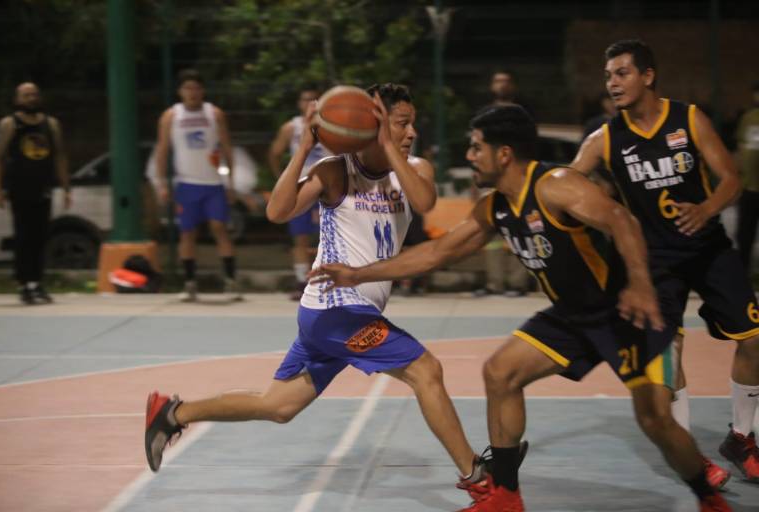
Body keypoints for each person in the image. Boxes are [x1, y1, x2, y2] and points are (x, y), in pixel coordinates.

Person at [310, 105, 732, 511]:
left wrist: (640, 284)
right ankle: (505, 497)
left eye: (477, 148)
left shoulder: (557, 185)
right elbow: (437, 253)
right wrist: (358, 274)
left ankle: (707, 497)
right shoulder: (495, 207)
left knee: (655, 420)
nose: (470, 156)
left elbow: (623, 222)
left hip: (625, 310)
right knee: (501, 372)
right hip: (572, 315)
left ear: (503, 154)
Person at [144, 83, 498, 495]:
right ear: (373, 123)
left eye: (412, 124)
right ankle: (478, 479)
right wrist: (303, 149)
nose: (411, 132)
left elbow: (423, 204)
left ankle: (172, 412)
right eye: (402, 124)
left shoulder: (417, 169)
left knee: (278, 406)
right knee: (426, 371)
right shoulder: (334, 170)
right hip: (334, 310)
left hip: (352, 313)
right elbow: (278, 211)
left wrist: (388, 143)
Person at [571, 39, 759, 485]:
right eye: (608, 76)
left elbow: (731, 177)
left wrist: (707, 208)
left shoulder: (688, 119)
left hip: (708, 246)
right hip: (653, 260)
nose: (612, 83)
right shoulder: (604, 139)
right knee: (669, 354)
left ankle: (741, 436)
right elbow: (568, 181)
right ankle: (690, 455)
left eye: (622, 73)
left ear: (648, 75)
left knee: (754, 339)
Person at [154, 69, 240, 302]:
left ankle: (231, 281)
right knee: (187, 233)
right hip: (187, 183)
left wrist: (231, 182)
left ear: (202, 91)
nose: (192, 93)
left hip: (213, 183)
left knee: (219, 228)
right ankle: (190, 283)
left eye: (196, 88)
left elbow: (227, 148)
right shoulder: (172, 116)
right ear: (180, 92)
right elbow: (162, 150)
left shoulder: (214, 113)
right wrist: (161, 182)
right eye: (187, 88)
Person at [0, 82, 70, 305]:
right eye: (26, 95)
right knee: (23, 235)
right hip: (19, 187)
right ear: (17, 99)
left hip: (43, 186)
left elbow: (60, 156)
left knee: (40, 235)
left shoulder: (51, 124)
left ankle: (36, 282)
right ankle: (24, 283)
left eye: (35, 94)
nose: (31, 98)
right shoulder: (9, 124)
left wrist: (66, 187)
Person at [268, 88, 331, 300]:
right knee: (300, 238)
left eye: (315, 99)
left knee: (332, 236)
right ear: (299, 103)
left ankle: (331, 280)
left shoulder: (333, 125)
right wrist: (283, 180)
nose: (310, 103)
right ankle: (302, 281)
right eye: (306, 99)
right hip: (302, 187)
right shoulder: (291, 127)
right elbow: (275, 153)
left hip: (328, 187)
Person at [475, 70, 530, 297]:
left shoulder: (521, 114)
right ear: (491, 86)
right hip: (491, 180)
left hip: (517, 178)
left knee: (522, 229)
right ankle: (494, 283)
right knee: (491, 235)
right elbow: (478, 148)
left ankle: (518, 283)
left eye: (505, 81)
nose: (501, 85)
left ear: (512, 86)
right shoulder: (484, 114)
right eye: (497, 81)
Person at [735, 82, 759, 276]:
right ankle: (743, 275)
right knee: (745, 235)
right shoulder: (748, 118)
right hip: (749, 187)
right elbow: (742, 147)